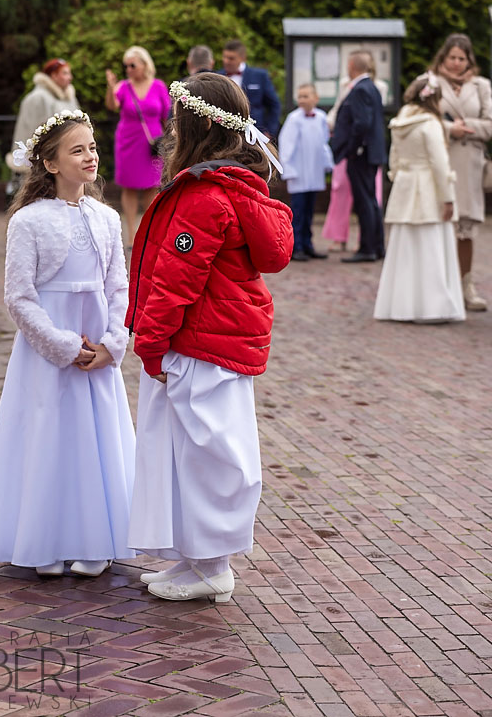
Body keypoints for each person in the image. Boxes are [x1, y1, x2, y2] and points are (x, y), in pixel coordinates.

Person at [126, 73, 294, 603]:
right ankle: (191, 558)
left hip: (198, 345)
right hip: (206, 343)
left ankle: (212, 566)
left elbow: (175, 280)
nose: (170, 127)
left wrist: (150, 341)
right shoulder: (226, 188)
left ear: (194, 127)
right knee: (187, 452)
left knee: (204, 454)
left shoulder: (204, 197)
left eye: (177, 119)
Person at [0, 109, 136, 577]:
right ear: (50, 163)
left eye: (93, 147)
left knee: (94, 439)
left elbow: (119, 287)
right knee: (51, 437)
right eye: (78, 149)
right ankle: (43, 540)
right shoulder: (28, 221)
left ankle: (95, 540)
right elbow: (19, 297)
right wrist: (63, 345)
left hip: (98, 349)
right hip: (49, 351)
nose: (90, 156)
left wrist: (112, 342)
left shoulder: (106, 219)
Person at [374, 74, 465, 322]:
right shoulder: (430, 124)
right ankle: (432, 307)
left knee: (404, 250)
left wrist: (400, 178)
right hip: (428, 189)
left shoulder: (401, 122)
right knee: (431, 247)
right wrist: (448, 198)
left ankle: (399, 307)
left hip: (405, 186)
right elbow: (439, 162)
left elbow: (393, 160)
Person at [431, 33, 492, 310]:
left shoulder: (481, 86)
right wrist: (448, 129)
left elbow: (490, 124)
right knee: (440, 225)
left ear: (469, 61)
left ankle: (466, 285)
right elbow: (420, 118)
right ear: (443, 58)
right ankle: (440, 287)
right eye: (452, 57)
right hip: (441, 159)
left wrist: (466, 125)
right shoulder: (431, 83)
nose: (456, 63)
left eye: (461, 58)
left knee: (466, 227)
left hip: (469, 161)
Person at [106, 46, 171, 248]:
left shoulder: (159, 86)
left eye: (132, 65)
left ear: (144, 64)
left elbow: (167, 116)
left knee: (152, 186)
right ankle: (132, 234)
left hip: (152, 142)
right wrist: (110, 86)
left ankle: (149, 232)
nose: (129, 69)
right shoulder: (124, 86)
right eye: (126, 66)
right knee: (129, 187)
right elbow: (112, 106)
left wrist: (168, 141)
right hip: (128, 141)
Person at [322, 51, 386, 252]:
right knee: (371, 200)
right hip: (370, 152)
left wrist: (351, 149)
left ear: (352, 66)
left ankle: (367, 248)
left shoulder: (359, 89)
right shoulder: (372, 87)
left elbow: (361, 124)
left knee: (364, 201)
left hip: (360, 154)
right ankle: (376, 246)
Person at [279, 83, 331, 261]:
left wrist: (326, 163)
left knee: (310, 210)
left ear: (316, 98)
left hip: (314, 170)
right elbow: (286, 145)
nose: (302, 100)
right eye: (299, 96)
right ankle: (296, 246)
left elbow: (323, 144)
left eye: (306, 96)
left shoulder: (321, 117)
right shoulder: (294, 119)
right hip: (299, 171)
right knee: (298, 211)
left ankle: (308, 244)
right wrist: (289, 169)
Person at [6, 58, 79, 174]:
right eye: (65, 73)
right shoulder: (37, 98)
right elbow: (31, 132)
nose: (70, 77)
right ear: (53, 75)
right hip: (45, 164)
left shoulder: (70, 98)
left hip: (66, 160)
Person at [219, 39, 281, 137]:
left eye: (231, 58)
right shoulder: (218, 76)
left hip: (255, 132)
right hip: (224, 133)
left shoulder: (259, 76)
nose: (226, 61)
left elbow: (274, 104)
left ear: (242, 58)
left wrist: (270, 131)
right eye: (224, 57)